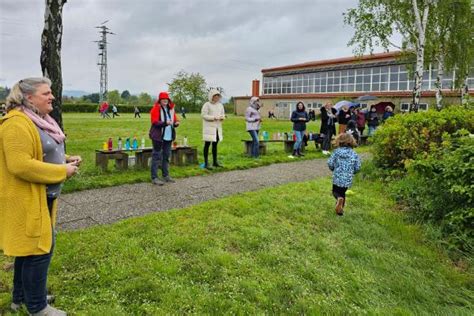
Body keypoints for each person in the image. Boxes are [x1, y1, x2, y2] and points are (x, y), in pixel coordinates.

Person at [0, 77, 81, 316]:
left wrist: (65, 160)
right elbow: (20, 165)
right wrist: (61, 172)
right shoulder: (16, 123)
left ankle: (21, 298)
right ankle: (37, 307)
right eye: (46, 93)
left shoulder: (39, 120)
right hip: (26, 199)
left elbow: (40, 152)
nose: (52, 97)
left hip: (42, 196)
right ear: (29, 98)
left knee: (29, 250)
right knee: (39, 250)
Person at [149, 92, 180, 185]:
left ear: (168, 100)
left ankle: (165, 175)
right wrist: (165, 123)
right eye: (163, 99)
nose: (165, 100)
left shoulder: (171, 109)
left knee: (166, 157)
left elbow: (174, 120)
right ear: (160, 100)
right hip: (158, 137)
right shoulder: (156, 109)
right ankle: (154, 177)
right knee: (156, 157)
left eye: (166, 99)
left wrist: (176, 123)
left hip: (168, 136)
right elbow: (154, 122)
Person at [327, 133, 361, 216]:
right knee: (342, 193)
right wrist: (353, 172)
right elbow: (358, 167)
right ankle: (340, 212)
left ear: (339, 141)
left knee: (335, 192)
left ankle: (339, 200)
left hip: (337, 177)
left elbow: (330, 163)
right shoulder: (354, 154)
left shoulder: (336, 152)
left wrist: (332, 168)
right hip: (347, 179)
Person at [201, 89, 225, 170]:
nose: (217, 97)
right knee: (207, 144)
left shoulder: (220, 105)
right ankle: (206, 163)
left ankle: (215, 162)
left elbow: (222, 114)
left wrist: (222, 117)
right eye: (215, 96)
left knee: (215, 145)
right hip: (209, 127)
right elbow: (204, 115)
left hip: (217, 127)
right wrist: (213, 118)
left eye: (218, 96)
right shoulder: (206, 105)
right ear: (212, 96)